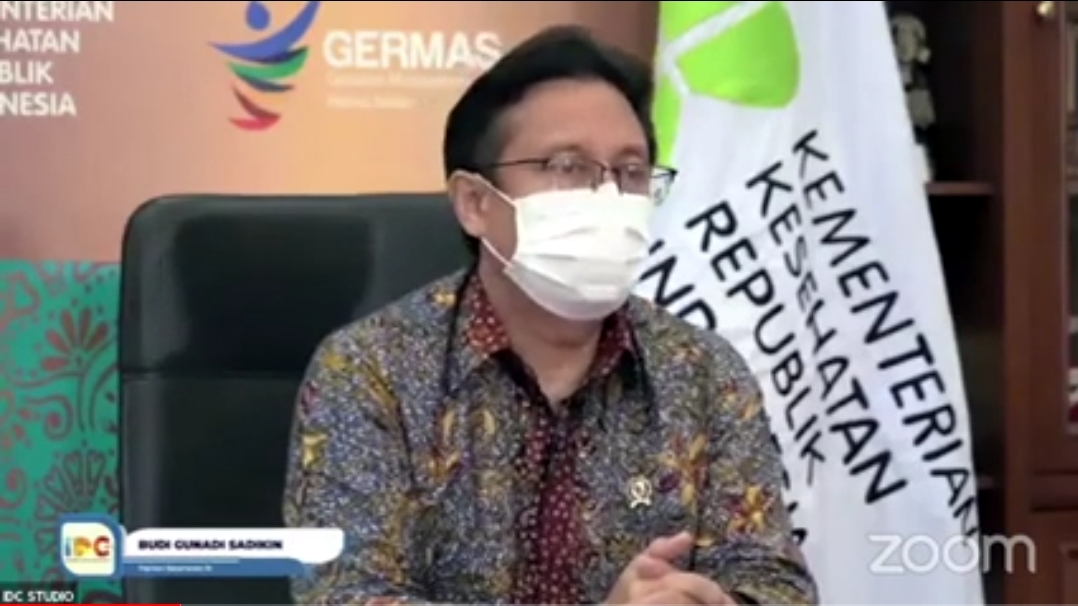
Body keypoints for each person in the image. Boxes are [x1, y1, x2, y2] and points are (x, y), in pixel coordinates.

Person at [283, 25, 817, 605]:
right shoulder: (372, 371)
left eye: (631, 172)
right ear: (476, 204)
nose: (608, 197)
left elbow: (775, 582)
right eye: (567, 167)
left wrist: (708, 603)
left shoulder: (703, 372)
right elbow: (346, 594)